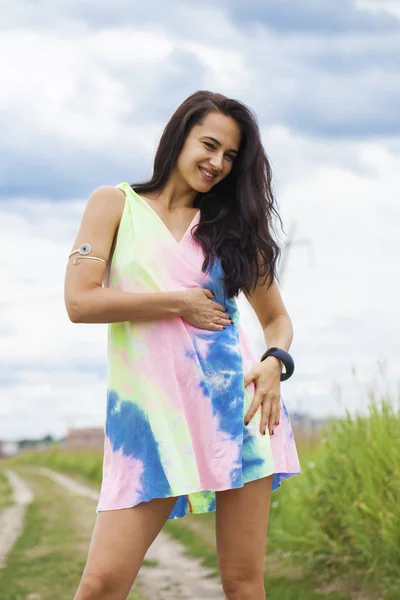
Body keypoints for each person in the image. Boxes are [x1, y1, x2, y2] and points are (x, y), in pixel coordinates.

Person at [65, 90, 301, 600]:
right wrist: (178, 302)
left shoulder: (234, 229)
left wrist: (273, 361)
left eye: (231, 156)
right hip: (149, 420)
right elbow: (80, 302)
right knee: (102, 583)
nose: (217, 163)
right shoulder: (115, 204)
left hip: (237, 413)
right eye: (209, 145)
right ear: (179, 137)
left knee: (242, 583)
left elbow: (276, 319)